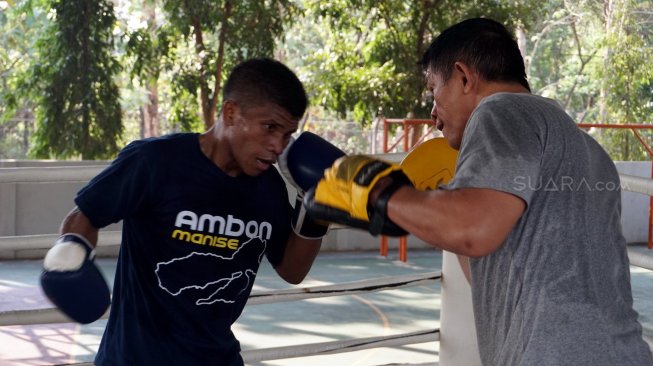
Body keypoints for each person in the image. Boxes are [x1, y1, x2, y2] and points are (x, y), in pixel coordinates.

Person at [309, 18, 653, 365]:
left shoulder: (500, 110)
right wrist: (448, 199)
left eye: (433, 91)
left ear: (463, 77)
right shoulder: (588, 150)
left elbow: (473, 231)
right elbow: (493, 274)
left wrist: (377, 190)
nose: (433, 114)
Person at [40, 57, 333, 365]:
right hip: (136, 358)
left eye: (287, 134)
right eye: (270, 127)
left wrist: (315, 212)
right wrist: (70, 253)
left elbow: (292, 270)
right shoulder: (156, 162)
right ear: (231, 113)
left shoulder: (268, 187)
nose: (278, 145)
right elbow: (84, 216)